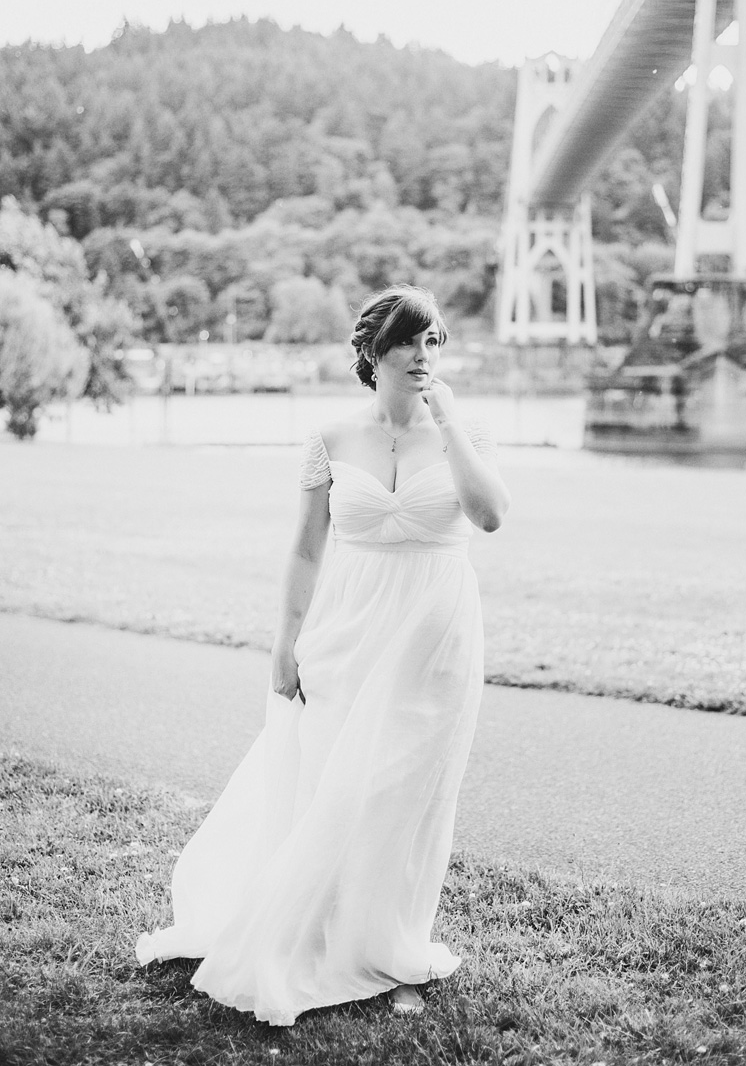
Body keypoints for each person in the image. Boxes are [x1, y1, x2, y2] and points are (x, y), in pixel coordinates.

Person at [138, 284, 511, 1025]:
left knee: (406, 793)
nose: (422, 354)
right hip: (347, 629)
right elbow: (306, 550)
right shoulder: (331, 440)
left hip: (436, 634)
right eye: (408, 340)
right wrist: (285, 640)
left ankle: (389, 941)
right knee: (336, 784)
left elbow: (491, 515)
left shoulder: (464, 433)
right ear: (373, 351)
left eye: (433, 340)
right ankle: (314, 931)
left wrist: (453, 422)